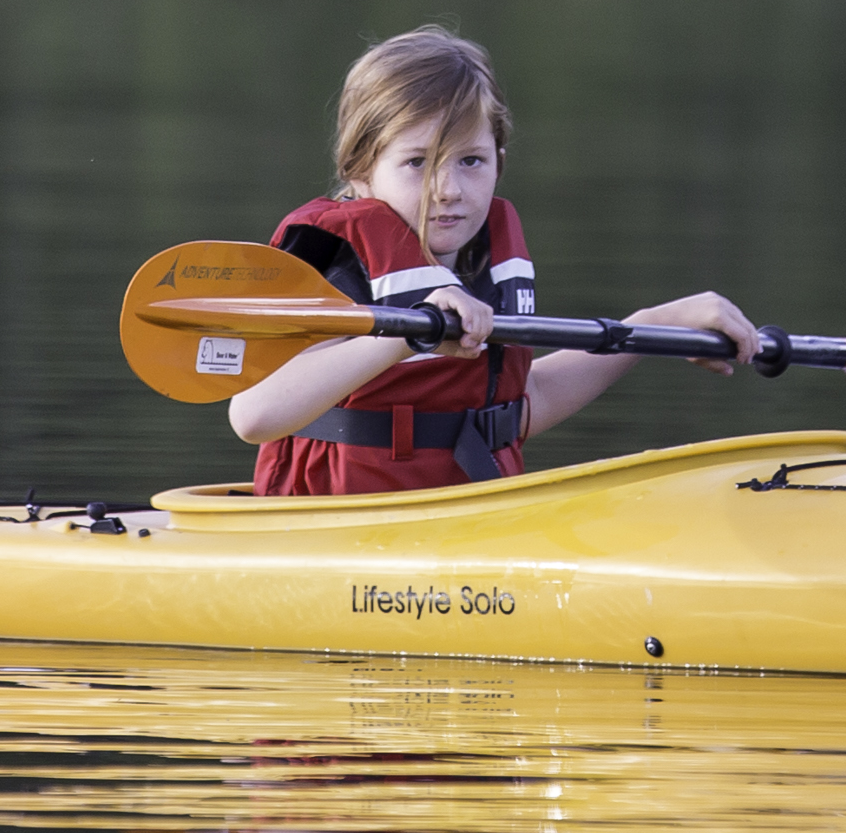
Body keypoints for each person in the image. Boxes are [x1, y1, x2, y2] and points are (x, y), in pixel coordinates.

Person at [228, 26, 765, 496]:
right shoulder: (337, 266)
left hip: (467, 514)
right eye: (417, 163)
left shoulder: (485, 261)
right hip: (334, 530)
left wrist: (650, 327)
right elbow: (255, 415)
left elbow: (525, 400)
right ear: (361, 172)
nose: (449, 189)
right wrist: (408, 333)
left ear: (499, 162)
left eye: (471, 161)